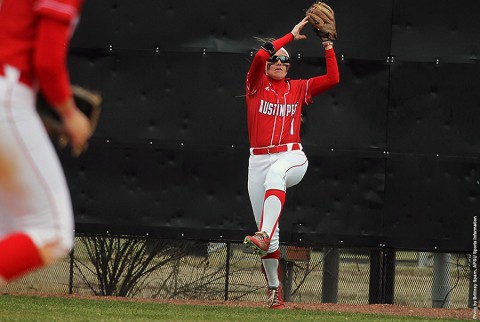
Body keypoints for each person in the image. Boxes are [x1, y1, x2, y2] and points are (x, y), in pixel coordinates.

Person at [243, 16, 340, 309]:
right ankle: (275, 292)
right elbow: (261, 54)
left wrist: (327, 45)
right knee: (271, 243)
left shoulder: (297, 88)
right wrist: (291, 34)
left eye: (286, 62)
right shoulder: (254, 84)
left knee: (276, 177)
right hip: (257, 161)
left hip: (291, 156)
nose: (280, 63)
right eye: (276, 60)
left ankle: (262, 233)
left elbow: (333, 78)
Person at [0, 0, 92, 284]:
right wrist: (69, 113)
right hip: (8, 95)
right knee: (52, 232)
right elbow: (47, 62)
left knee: (8, 232)